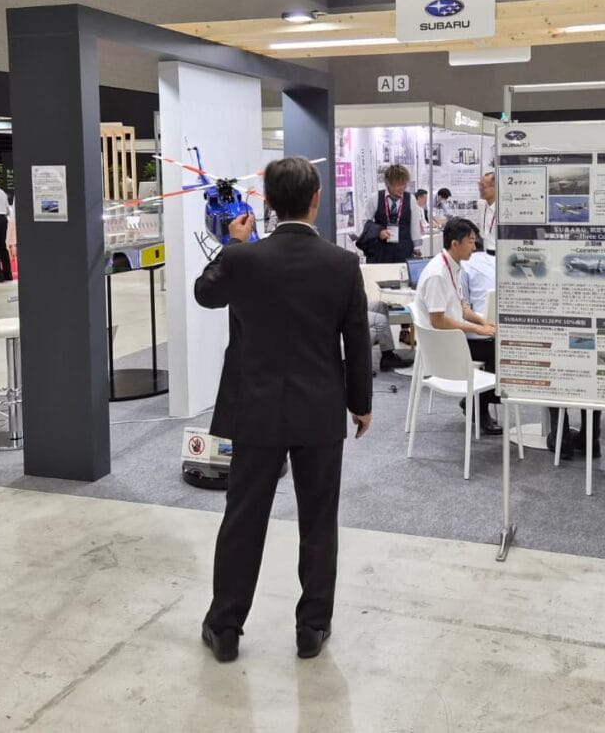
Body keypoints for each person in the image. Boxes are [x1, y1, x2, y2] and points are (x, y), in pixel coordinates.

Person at [195, 157, 372, 664]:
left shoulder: (244, 259)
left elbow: (204, 294)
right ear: (316, 199)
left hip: (254, 409)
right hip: (319, 410)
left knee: (243, 518)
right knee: (319, 520)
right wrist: (360, 404)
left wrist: (232, 244)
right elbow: (357, 341)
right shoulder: (342, 264)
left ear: (267, 202)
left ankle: (225, 627)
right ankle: (312, 627)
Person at [415, 216, 501, 434]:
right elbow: (438, 321)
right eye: (470, 242)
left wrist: (483, 322)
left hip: (455, 340)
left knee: (496, 344)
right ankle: (479, 405)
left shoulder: (453, 267)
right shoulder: (438, 274)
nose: (474, 247)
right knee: (499, 352)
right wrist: (478, 329)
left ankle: (478, 403)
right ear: (455, 243)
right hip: (444, 348)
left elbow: (462, 308)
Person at [358, 164, 414, 264]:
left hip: (404, 250)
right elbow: (366, 221)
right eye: (398, 184)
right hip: (381, 250)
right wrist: (378, 232)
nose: (402, 188)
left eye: (404, 184)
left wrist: (417, 247)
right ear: (388, 183)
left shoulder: (410, 199)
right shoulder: (375, 198)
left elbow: (415, 224)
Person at [478, 172, 497, 253]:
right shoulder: (481, 205)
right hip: (485, 252)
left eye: (483, 186)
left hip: (499, 254)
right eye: (479, 185)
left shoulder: (504, 208)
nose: (480, 189)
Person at [412, 188, 430, 256]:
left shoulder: (421, 209)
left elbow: (424, 222)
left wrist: (429, 226)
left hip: (424, 232)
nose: (426, 201)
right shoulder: (413, 208)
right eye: (425, 198)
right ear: (419, 198)